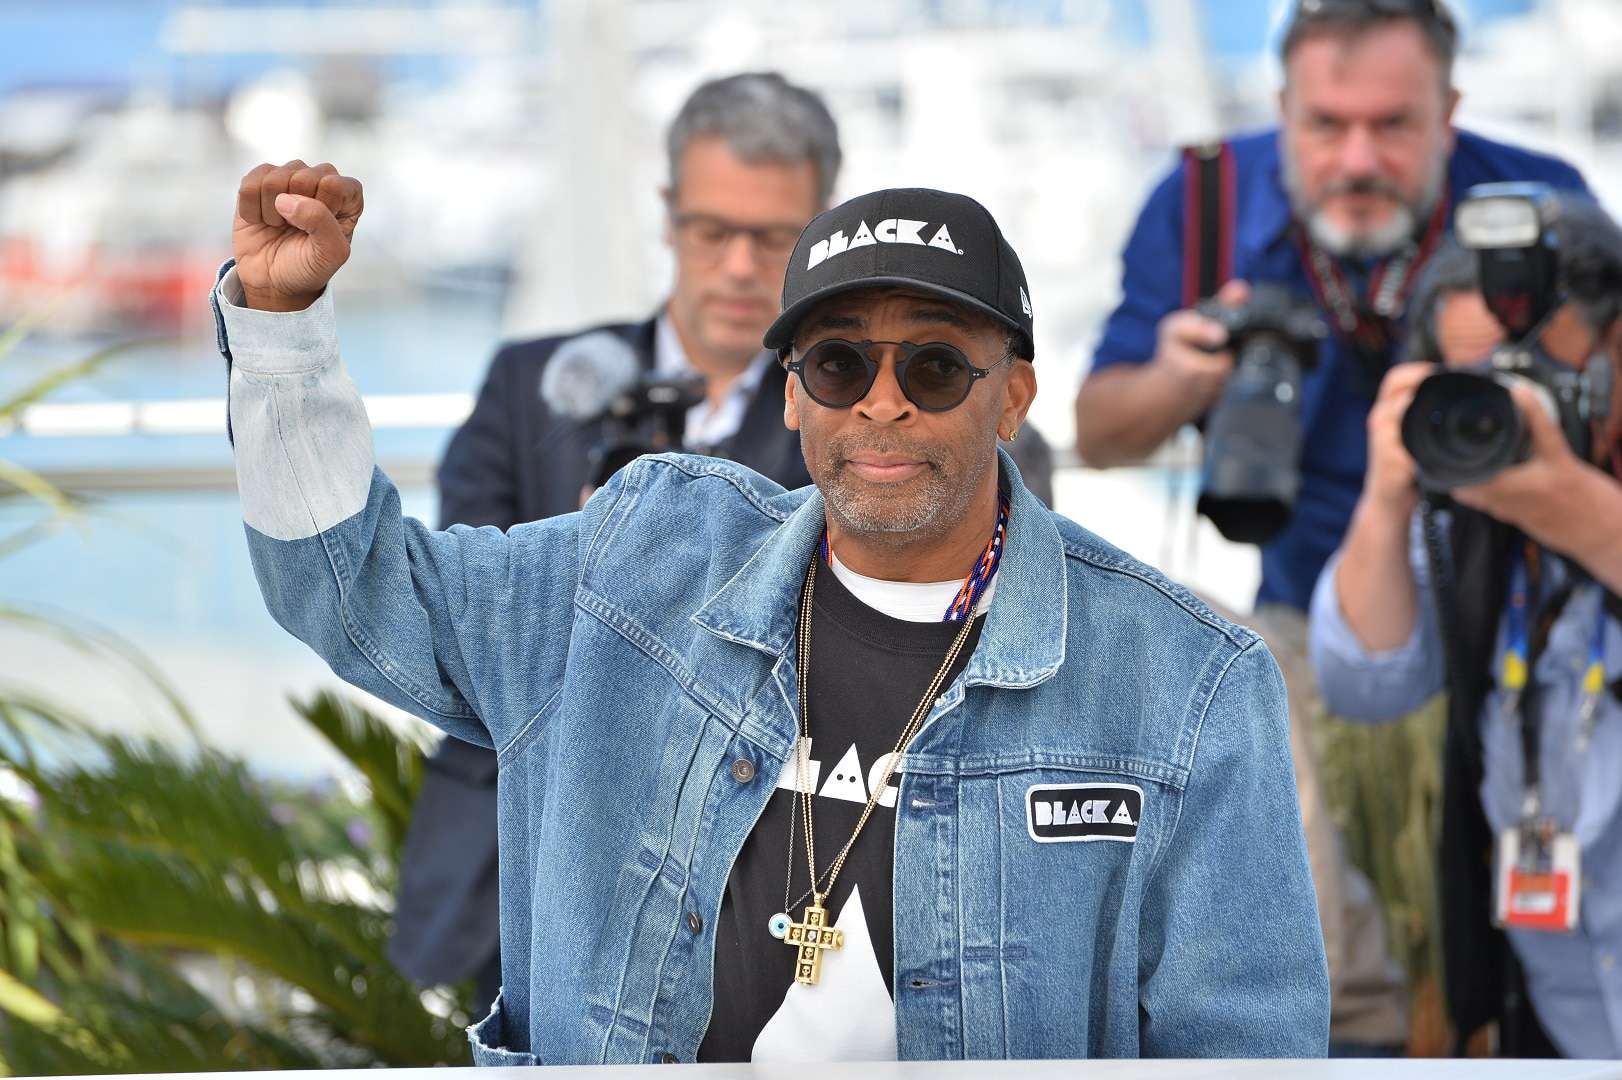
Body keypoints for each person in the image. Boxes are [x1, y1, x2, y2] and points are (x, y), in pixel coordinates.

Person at [213, 165, 1328, 1062]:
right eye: (838, 363)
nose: (881, 401)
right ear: (790, 389)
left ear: (1014, 397)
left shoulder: (1186, 681)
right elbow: (352, 593)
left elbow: (1244, 1048)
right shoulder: (636, 568)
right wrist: (282, 327)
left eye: (936, 367)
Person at [1071, 0, 1587, 1050]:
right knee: (1289, 841)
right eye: (1325, 125)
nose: (1357, 156)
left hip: (1509, 612)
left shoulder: (1537, 212)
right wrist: (1181, 378)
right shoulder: (1204, 201)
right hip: (1300, 612)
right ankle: (1350, 1049)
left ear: (1448, 112)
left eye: (1392, 125)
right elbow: (1099, 428)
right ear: (1281, 110)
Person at [392, 71, 842, 1008]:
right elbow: (458, 626)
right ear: (669, 214)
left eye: (773, 237)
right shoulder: (530, 386)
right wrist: (592, 554)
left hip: (751, 889)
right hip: (509, 871)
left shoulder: (859, 419)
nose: (737, 267)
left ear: (821, 231)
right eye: (712, 231)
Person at [1311, 200, 1622, 1056]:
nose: (1505, 414)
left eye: (1533, 380)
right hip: (1556, 1018)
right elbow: (1363, 682)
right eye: (1475, 384)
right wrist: (1389, 489)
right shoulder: (1467, 531)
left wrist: (1578, 512)